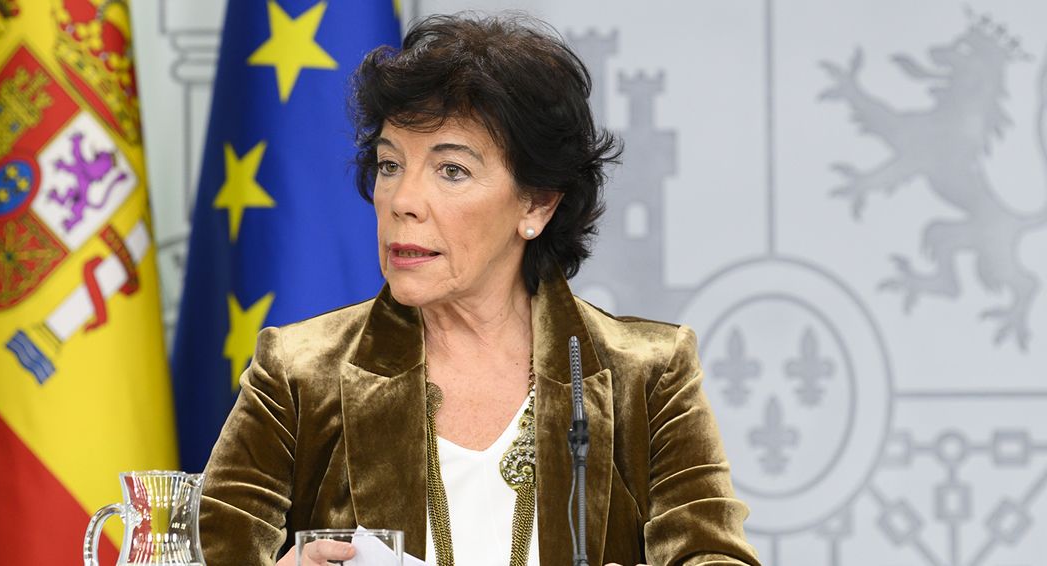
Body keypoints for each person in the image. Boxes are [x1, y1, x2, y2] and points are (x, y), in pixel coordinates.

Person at [199, 13, 761, 566]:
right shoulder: (298, 373)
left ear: (537, 204)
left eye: (451, 171)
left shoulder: (648, 376)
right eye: (390, 164)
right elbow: (205, 552)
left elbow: (714, 556)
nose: (402, 201)